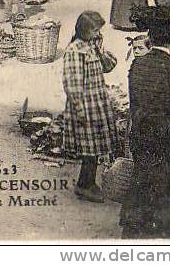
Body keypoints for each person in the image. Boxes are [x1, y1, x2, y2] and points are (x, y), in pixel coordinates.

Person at [120, 6, 170, 239]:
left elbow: (135, 106)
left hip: (141, 141)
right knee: (166, 208)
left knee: (140, 191)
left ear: (150, 38)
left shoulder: (137, 66)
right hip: (167, 145)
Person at [61, 11, 119, 203]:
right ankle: (84, 185)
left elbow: (109, 66)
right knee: (89, 149)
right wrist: (79, 110)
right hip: (85, 106)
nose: (97, 34)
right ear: (84, 30)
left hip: (96, 104)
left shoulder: (92, 47)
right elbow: (72, 83)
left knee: (94, 149)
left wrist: (100, 50)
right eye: (94, 30)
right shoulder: (74, 50)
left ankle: (87, 182)